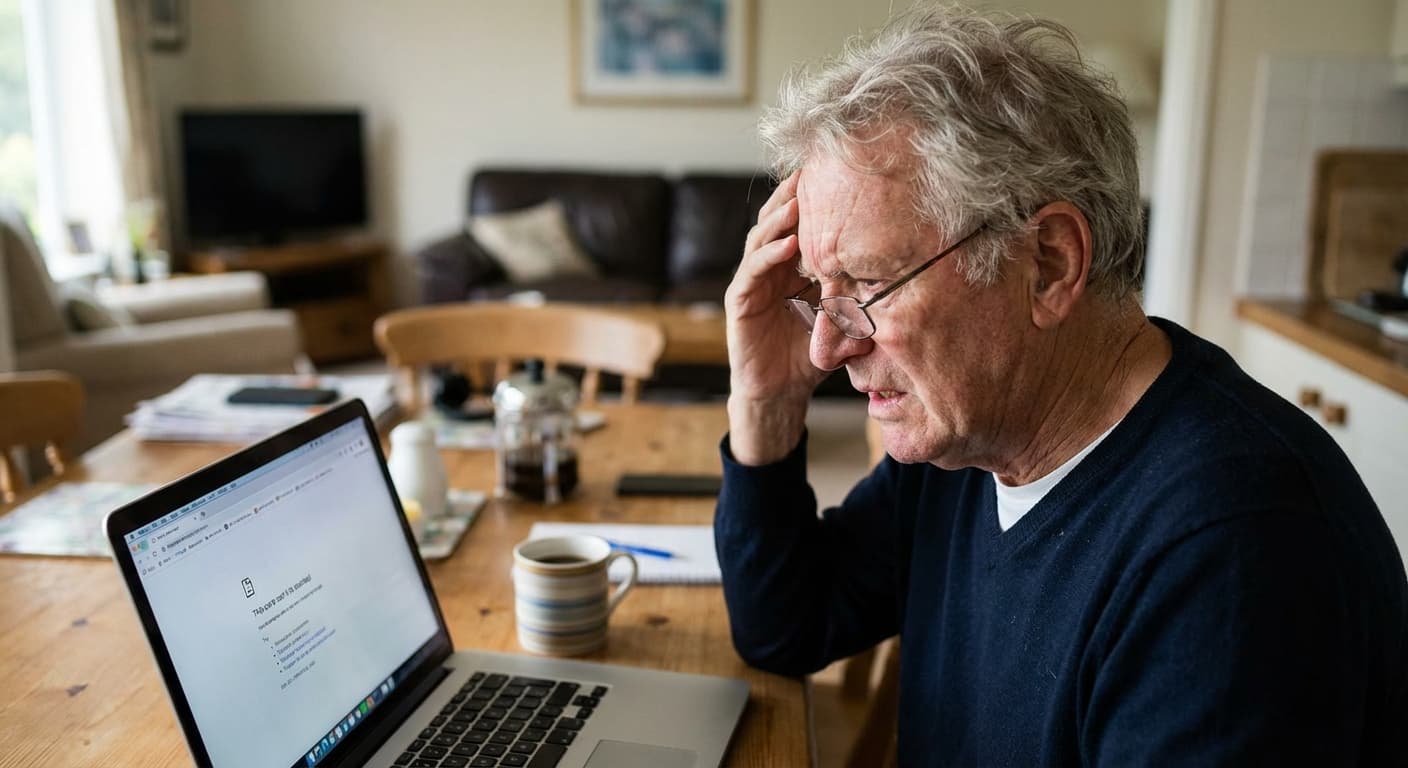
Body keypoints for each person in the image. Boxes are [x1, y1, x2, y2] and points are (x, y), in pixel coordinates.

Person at [714, 5, 1408, 766]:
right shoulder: (971, 436)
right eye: (818, 288)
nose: (829, 343)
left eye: (871, 282)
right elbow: (786, 625)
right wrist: (767, 398)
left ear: (1048, 263)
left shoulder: (1238, 549)